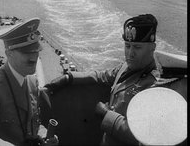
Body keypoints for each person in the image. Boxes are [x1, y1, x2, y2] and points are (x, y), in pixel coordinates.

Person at [44, 14, 161, 145]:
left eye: (137, 47)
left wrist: (107, 115)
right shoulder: (125, 67)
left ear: (152, 48)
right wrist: (69, 77)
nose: (130, 53)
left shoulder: (155, 85)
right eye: (127, 46)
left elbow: (143, 137)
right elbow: (102, 76)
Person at [0, 18, 58, 146]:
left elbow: (33, 122)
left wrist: (43, 136)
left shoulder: (32, 81)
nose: (34, 57)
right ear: (9, 53)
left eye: (36, 50)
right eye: (27, 52)